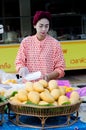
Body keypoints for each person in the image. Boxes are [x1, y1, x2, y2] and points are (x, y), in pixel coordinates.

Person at [15, 11, 65, 81]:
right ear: (34, 25)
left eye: (46, 26)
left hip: (48, 86)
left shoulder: (55, 44)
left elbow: (60, 68)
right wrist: (21, 68)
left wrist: (49, 76)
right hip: (28, 86)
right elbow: (19, 61)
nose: (44, 29)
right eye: (41, 26)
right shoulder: (26, 42)